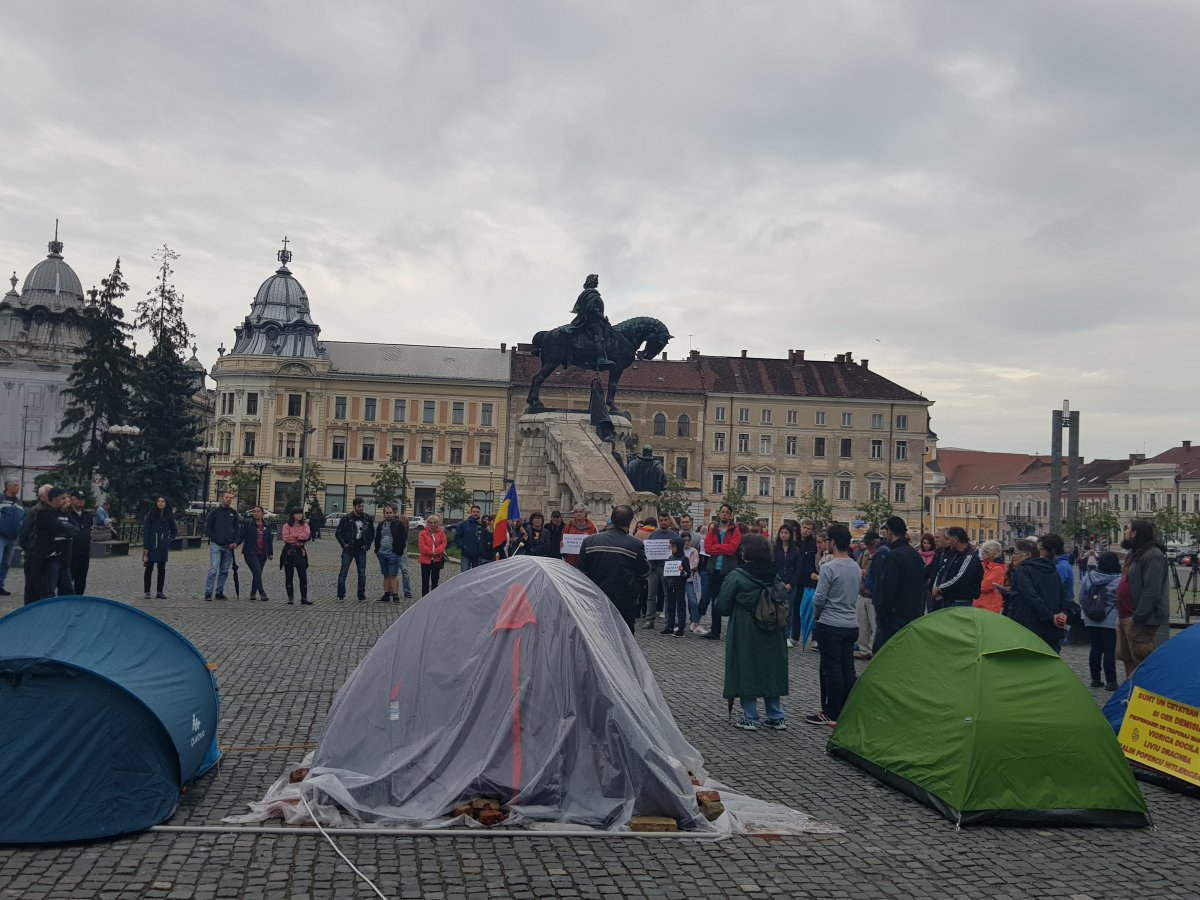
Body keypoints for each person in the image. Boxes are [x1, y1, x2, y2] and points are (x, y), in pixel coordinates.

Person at [715, 534, 788, 732]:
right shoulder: (775, 575)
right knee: (771, 667)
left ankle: (750, 716)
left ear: (746, 551)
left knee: (746, 665)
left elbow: (722, 604)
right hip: (773, 629)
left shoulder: (738, 575)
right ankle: (775, 715)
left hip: (745, 627)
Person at [806, 523, 860, 726]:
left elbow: (819, 598)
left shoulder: (829, 568)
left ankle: (831, 710)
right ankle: (846, 706)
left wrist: (817, 615)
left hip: (831, 622)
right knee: (847, 668)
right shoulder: (855, 566)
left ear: (833, 542)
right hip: (850, 622)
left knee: (831, 669)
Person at [576, 504, 649, 633]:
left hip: (596, 598)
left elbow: (581, 571)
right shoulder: (635, 545)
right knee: (624, 637)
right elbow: (644, 572)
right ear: (630, 522)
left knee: (597, 634)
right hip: (625, 601)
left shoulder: (589, 541)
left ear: (612, 519)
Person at [1000, 538, 1069, 650]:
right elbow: (1062, 594)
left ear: (1027, 554)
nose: (1013, 556)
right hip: (1051, 627)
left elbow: (1030, 595)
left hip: (1028, 624)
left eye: (1016, 553)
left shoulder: (1023, 569)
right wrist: (1061, 613)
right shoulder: (1050, 568)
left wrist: (1049, 617)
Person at [871, 517, 926, 651]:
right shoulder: (915, 555)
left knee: (882, 653)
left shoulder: (894, 555)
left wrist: (881, 612)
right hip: (912, 612)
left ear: (890, 531)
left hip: (894, 615)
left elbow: (889, 588)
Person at [1121, 519, 1169, 671]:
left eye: (1127, 529)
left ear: (1134, 534)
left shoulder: (1153, 555)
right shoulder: (1134, 554)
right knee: (1126, 657)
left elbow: (1151, 590)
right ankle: (1130, 692)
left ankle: (1143, 692)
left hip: (1139, 618)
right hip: (1125, 614)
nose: (1124, 532)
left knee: (1142, 659)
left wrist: (1139, 616)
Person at [27, 487, 81, 602]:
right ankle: (46, 616)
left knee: (68, 589)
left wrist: (65, 529)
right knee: (48, 590)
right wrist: (65, 529)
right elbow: (58, 526)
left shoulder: (65, 513)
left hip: (64, 558)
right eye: (63, 498)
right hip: (49, 558)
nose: (66, 500)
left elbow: (76, 529)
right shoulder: (44, 513)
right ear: (54, 499)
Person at [1081, 551, 1121, 690]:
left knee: (1095, 648)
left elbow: (1082, 597)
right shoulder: (1118, 580)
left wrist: (1088, 612)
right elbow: (1121, 600)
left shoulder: (1088, 576)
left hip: (1091, 618)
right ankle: (1111, 681)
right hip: (1110, 619)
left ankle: (1095, 679)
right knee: (1109, 650)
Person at [702, 504, 742, 641]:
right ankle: (715, 630)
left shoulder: (735, 531)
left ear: (730, 515)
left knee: (730, 600)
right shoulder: (713, 530)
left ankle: (733, 631)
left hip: (728, 570)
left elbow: (732, 549)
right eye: (722, 512)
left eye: (727, 512)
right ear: (719, 514)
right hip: (714, 569)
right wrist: (721, 548)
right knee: (715, 601)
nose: (724, 514)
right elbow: (707, 548)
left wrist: (716, 547)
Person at [642, 516, 681, 630]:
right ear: (658, 522)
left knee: (668, 595)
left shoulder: (674, 535)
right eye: (661, 520)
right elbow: (648, 550)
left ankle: (669, 621)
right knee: (651, 595)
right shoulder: (653, 535)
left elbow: (677, 552)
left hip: (668, 568)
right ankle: (650, 620)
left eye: (665, 520)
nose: (663, 522)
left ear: (669, 521)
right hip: (654, 568)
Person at [931, 527, 983, 608]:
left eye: (948, 539)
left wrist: (940, 589)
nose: (947, 542)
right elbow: (943, 572)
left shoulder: (969, 556)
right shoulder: (956, 554)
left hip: (960, 601)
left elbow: (960, 578)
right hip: (950, 599)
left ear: (956, 539)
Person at [336, 497, 374, 602]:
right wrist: (344, 545)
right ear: (354, 506)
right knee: (343, 572)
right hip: (349, 549)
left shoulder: (367, 518)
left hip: (361, 549)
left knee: (362, 573)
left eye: (362, 506)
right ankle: (341, 594)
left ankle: (361, 595)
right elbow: (338, 533)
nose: (361, 508)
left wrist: (368, 545)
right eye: (359, 506)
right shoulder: (346, 518)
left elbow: (371, 533)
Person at [204, 492, 240, 601]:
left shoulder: (233, 513)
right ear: (222, 499)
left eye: (230, 498)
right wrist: (216, 538)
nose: (228, 499)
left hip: (229, 546)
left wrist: (236, 542)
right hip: (216, 545)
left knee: (224, 570)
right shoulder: (214, 512)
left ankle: (219, 591)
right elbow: (207, 529)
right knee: (214, 569)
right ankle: (208, 592)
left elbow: (237, 529)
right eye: (226, 497)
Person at [855, 532, 884, 659]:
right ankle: (864, 649)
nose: (869, 549)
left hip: (873, 595)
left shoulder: (881, 555)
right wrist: (860, 571)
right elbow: (856, 567)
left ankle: (873, 649)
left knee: (874, 625)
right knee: (862, 624)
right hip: (862, 592)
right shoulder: (864, 554)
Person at [142, 496, 177, 599]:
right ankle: (147, 591)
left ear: (166, 503)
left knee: (161, 569)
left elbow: (174, 529)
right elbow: (146, 530)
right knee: (149, 568)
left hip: (162, 545)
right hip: (151, 544)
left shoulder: (169, 515)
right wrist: (146, 547)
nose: (160, 503)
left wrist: (169, 539)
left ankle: (159, 591)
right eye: (159, 501)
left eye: (162, 501)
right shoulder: (151, 515)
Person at [238, 506, 274, 601]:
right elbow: (241, 536)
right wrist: (235, 544)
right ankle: (262, 592)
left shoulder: (266, 524)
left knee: (257, 573)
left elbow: (269, 540)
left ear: (262, 513)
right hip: (250, 552)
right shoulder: (248, 523)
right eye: (254, 511)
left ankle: (253, 592)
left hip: (263, 553)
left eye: (258, 511)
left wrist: (270, 553)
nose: (256, 513)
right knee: (257, 571)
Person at [773, 525, 800, 648]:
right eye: (781, 532)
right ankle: (774, 635)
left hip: (791, 584)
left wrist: (790, 583)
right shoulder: (775, 548)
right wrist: (779, 581)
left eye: (786, 533)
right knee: (775, 609)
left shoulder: (795, 550)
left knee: (789, 610)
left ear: (790, 535)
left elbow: (798, 568)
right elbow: (772, 565)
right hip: (777, 583)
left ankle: (786, 635)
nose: (783, 535)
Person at [792, 520, 818, 646]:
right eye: (804, 527)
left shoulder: (815, 544)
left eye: (809, 528)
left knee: (813, 609)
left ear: (812, 531)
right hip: (797, 580)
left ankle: (815, 638)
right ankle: (795, 636)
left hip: (811, 581)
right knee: (796, 608)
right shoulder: (795, 543)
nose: (805, 530)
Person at [374, 503, 406, 602]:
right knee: (386, 575)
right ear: (384, 514)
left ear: (393, 513)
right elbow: (378, 538)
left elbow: (403, 538)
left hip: (393, 554)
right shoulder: (381, 524)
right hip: (382, 553)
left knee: (393, 575)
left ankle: (395, 595)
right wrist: (377, 550)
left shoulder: (399, 524)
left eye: (390, 513)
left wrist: (398, 552)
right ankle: (386, 595)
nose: (389, 514)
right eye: (387, 513)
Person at [660, 536, 691, 637]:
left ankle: (681, 627)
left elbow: (688, 574)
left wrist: (683, 572)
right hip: (669, 585)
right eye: (671, 546)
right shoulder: (670, 557)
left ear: (679, 546)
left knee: (680, 607)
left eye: (673, 546)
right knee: (670, 607)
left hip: (679, 587)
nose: (672, 548)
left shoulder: (684, 559)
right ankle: (670, 626)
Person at [280, 507, 312, 605]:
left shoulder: (305, 525)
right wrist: (299, 538)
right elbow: (286, 538)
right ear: (293, 515)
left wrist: (296, 536)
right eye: (297, 513)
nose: (299, 515)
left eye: (301, 513)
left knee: (303, 576)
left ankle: (304, 597)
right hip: (289, 551)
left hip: (300, 552)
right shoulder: (287, 525)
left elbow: (307, 536)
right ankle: (290, 597)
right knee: (289, 575)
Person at [0, 479, 25, 597]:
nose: (18, 487)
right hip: (1, 536)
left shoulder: (18, 502)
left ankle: (0, 585)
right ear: (8, 487)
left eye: (18, 485)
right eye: (15, 485)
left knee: (6, 563)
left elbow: (22, 517)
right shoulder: (1, 499)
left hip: (13, 537)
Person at [65, 489, 92, 596]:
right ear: (71, 500)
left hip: (84, 551)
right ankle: (67, 599)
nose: (80, 501)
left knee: (81, 578)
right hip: (71, 551)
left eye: (82, 499)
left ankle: (79, 598)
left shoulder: (87, 515)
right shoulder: (66, 513)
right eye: (77, 498)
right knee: (68, 578)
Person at [418, 514, 448, 594]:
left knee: (435, 580)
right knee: (425, 580)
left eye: (435, 522)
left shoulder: (441, 532)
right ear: (428, 523)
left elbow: (444, 543)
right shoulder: (423, 533)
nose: (433, 524)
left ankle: (433, 597)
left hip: (437, 560)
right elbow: (422, 545)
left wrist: (437, 551)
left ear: (437, 523)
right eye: (431, 522)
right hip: (425, 560)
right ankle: (424, 597)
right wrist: (430, 553)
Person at [975, 540, 1006, 613]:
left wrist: (973, 582)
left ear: (994, 554)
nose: (982, 553)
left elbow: (984, 587)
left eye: (986, 552)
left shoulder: (998, 569)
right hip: (977, 604)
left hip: (989, 606)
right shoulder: (982, 565)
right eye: (982, 550)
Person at [454, 505, 487, 572]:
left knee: (476, 576)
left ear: (479, 513)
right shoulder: (463, 524)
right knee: (464, 574)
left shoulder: (482, 526)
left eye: (477, 512)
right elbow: (457, 537)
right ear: (470, 512)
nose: (475, 513)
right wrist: (463, 546)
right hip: (466, 554)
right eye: (474, 512)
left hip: (478, 555)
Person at [681, 531, 702, 632]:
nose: (686, 542)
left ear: (691, 541)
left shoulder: (694, 551)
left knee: (693, 601)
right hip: (679, 579)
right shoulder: (678, 551)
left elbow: (695, 564)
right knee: (680, 602)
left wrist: (684, 568)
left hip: (690, 579)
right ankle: (680, 622)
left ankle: (695, 622)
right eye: (684, 540)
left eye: (688, 540)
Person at [394, 513, 414, 598]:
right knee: (392, 571)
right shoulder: (390, 521)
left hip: (402, 548)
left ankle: (407, 590)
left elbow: (405, 533)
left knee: (404, 569)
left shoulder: (403, 519)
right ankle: (392, 590)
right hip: (393, 548)